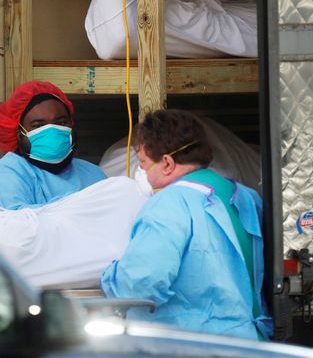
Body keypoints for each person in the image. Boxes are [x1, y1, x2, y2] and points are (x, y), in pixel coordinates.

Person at [101, 109, 272, 340]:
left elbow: (140, 286)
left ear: (168, 163)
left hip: (193, 345)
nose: (140, 169)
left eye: (142, 161)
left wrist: (111, 275)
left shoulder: (169, 204)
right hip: (248, 341)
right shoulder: (246, 196)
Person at [0, 81, 106, 213]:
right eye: (38, 125)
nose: (53, 131)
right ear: (19, 133)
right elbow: (9, 225)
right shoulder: (3, 176)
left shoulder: (92, 174)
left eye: (61, 122)